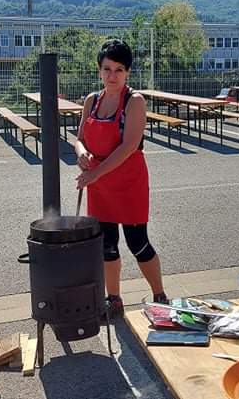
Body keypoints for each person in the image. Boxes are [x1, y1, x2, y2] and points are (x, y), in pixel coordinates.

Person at [75, 39, 167, 318]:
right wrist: (81, 153)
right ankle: (113, 298)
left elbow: (128, 147)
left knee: (138, 241)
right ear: (99, 70)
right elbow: (79, 139)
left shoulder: (135, 101)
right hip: (99, 183)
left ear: (128, 72)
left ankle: (159, 295)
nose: (111, 76)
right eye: (106, 69)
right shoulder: (92, 100)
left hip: (128, 181)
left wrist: (93, 174)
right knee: (107, 243)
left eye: (118, 70)